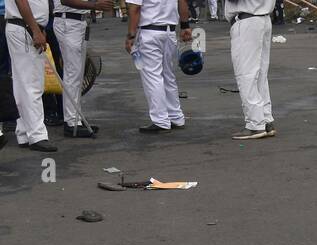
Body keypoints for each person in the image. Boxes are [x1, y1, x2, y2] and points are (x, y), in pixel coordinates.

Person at [125, 0, 189, 133]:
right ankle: (176, 117)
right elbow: (182, 2)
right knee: (168, 76)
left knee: (153, 76)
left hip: (150, 32)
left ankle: (160, 121)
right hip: (169, 31)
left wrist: (131, 35)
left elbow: (135, 9)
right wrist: (185, 26)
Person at [53, 0, 111, 137]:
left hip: (76, 21)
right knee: (73, 73)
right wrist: (94, 6)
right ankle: (71, 121)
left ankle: (76, 118)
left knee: (77, 73)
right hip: (68, 21)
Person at [5, 0, 55, 150]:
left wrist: (38, 28)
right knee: (32, 85)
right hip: (24, 27)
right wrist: (35, 29)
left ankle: (24, 132)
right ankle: (37, 135)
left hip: (24, 26)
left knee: (22, 84)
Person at [226, 0, 274, 139]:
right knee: (260, 75)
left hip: (248, 19)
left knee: (246, 75)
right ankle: (266, 120)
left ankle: (255, 124)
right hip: (262, 17)